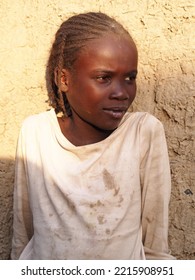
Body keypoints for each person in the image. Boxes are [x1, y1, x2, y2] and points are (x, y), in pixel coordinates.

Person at [11, 12, 174, 260]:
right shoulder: (36, 133)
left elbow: (156, 245)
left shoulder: (142, 133)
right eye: (103, 78)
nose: (121, 93)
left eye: (130, 78)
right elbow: (22, 234)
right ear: (63, 79)